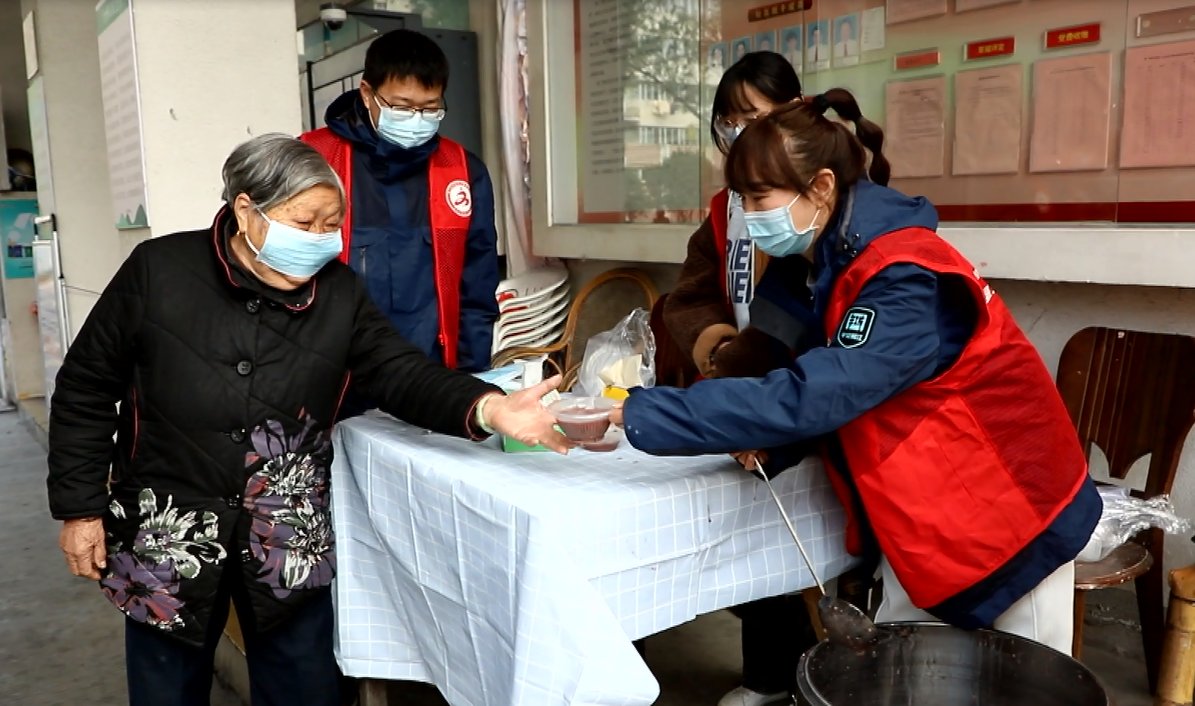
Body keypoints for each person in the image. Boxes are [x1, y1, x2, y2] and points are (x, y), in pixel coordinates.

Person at [47, 134, 569, 706]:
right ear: (247, 210)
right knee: (165, 690)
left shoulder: (340, 293)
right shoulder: (159, 270)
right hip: (166, 525)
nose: (322, 239)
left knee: (308, 687)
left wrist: (488, 406)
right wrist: (79, 510)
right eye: (306, 222)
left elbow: (399, 373)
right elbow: (85, 389)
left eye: (333, 224)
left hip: (287, 531)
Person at [615, 91, 1101, 655]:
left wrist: (638, 410)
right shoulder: (826, 260)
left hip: (1009, 512)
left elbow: (814, 394)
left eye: (757, 197)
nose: (746, 215)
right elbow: (793, 369)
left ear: (820, 188)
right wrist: (771, 444)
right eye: (741, 199)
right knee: (910, 672)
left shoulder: (903, 275)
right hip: (930, 514)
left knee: (1024, 684)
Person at [662, 52, 820, 706]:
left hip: (811, 386)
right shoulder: (724, 209)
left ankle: (812, 673)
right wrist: (713, 346)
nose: (738, 135)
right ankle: (766, 677)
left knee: (804, 541)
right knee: (757, 532)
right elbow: (688, 295)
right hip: (744, 379)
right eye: (727, 124)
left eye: (753, 118)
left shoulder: (819, 201)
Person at [301, 29, 498, 375]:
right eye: (402, 107)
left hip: (430, 370)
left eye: (430, 107)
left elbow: (477, 285)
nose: (416, 119)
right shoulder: (315, 158)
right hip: (336, 374)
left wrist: (470, 376)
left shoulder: (463, 171)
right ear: (367, 93)